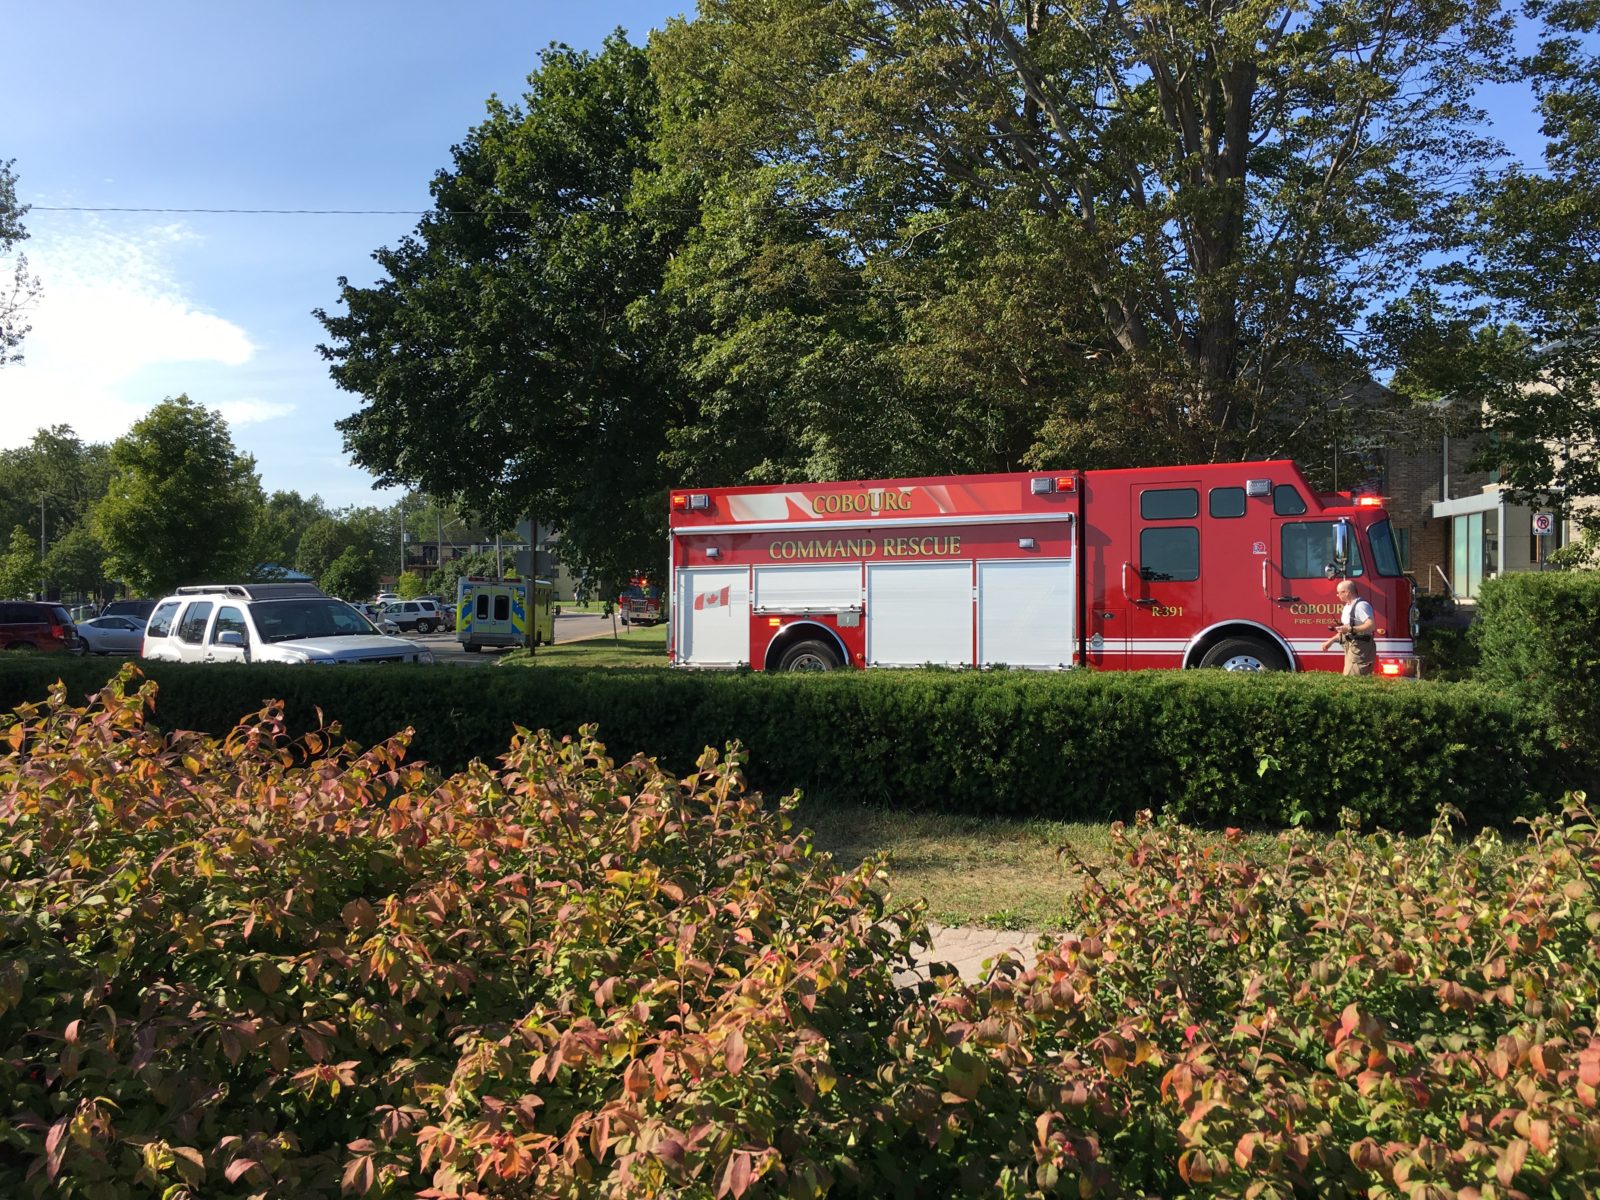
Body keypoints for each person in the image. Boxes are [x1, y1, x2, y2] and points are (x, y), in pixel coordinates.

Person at [1321, 579, 1376, 675]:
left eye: (1339, 593)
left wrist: (1350, 629)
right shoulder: (1347, 607)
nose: (1337, 595)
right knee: (1349, 676)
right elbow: (1345, 630)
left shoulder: (1361, 605)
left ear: (1346, 592)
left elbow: (1371, 625)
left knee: (1354, 678)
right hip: (1351, 647)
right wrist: (1331, 641)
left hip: (1361, 648)